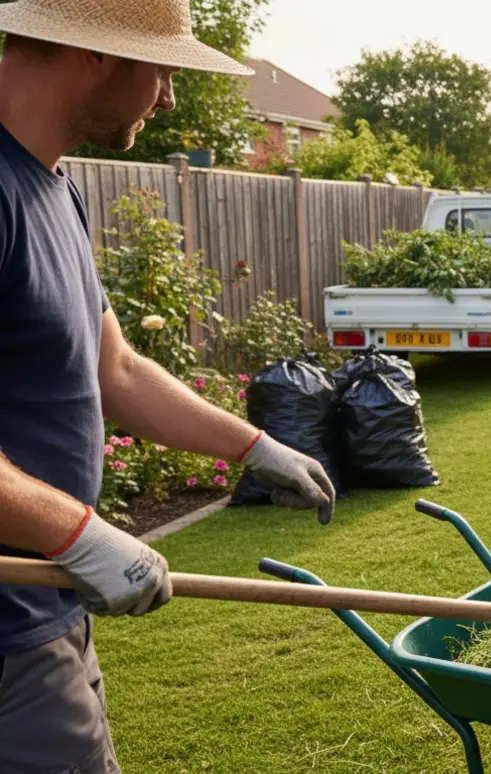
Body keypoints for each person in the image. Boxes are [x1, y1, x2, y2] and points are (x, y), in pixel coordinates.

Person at [0, 1, 338, 771]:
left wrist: (256, 447)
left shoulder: (54, 188)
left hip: (49, 609)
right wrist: (78, 534)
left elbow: (113, 368)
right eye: (162, 70)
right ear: (94, 55)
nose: (169, 98)